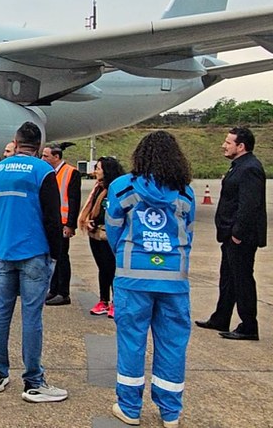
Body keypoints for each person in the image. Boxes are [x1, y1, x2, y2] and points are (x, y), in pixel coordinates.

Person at [106, 130, 195, 427]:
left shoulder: (122, 187)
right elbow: (189, 232)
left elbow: (114, 231)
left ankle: (130, 408)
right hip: (173, 278)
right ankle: (170, 412)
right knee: (173, 344)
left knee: (131, 342)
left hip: (133, 277)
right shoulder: (185, 191)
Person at [0, 121, 66, 401]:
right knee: (32, 317)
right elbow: (53, 219)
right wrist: (55, 255)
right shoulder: (43, 170)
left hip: (5, 252)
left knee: (1, 314)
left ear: (15, 142)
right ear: (40, 146)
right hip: (34, 251)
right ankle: (33, 381)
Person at [196, 126, 266, 341]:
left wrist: (238, 233)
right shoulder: (239, 166)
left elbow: (249, 205)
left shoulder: (250, 168)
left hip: (241, 236)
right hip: (230, 234)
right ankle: (221, 317)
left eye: (228, 142)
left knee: (242, 279)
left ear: (241, 146)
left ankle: (249, 325)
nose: (224, 145)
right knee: (228, 277)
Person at [78, 156, 124, 318]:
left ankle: (116, 302)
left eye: (98, 168)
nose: (95, 171)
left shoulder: (116, 189)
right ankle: (103, 300)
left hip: (107, 234)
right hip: (95, 234)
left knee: (111, 268)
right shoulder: (98, 187)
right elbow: (92, 207)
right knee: (102, 269)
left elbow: (113, 211)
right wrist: (89, 220)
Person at [41, 143, 81, 306]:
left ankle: (64, 293)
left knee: (63, 258)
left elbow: (74, 200)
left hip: (63, 223)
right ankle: (54, 289)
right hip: (53, 222)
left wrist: (70, 224)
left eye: (46, 156)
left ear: (56, 157)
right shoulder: (50, 172)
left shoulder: (71, 172)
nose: (43, 158)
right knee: (54, 257)